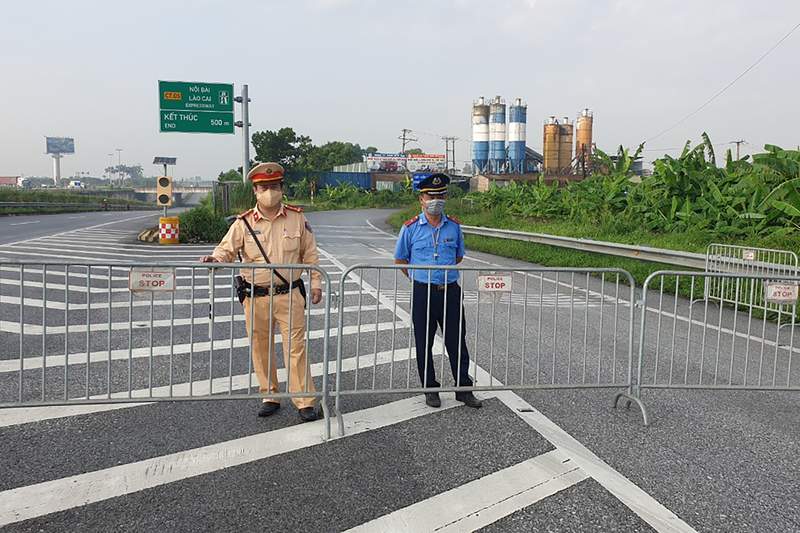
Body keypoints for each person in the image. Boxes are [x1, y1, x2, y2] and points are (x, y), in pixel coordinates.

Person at [200, 162, 322, 422]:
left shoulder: (297, 218)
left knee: (296, 348)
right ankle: (270, 394)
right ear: (255, 191)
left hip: (289, 294)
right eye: (264, 187)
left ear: (282, 189)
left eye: (274, 187)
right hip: (255, 297)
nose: (270, 192)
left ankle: (304, 400)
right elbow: (226, 250)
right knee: (260, 347)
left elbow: (310, 255)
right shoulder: (242, 223)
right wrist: (216, 260)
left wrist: (316, 283)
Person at [394, 173, 482, 409]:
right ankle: (430, 389)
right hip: (423, 292)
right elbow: (400, 260)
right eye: (431, 196)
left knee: (456, 341)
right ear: (421, 199)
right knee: (424, 341)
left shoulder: (453, 226)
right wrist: (420, 277)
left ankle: (464, 388)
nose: (436, 200)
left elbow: (459, 255)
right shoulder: (410, 228)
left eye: (441, 195)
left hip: (450, 291)